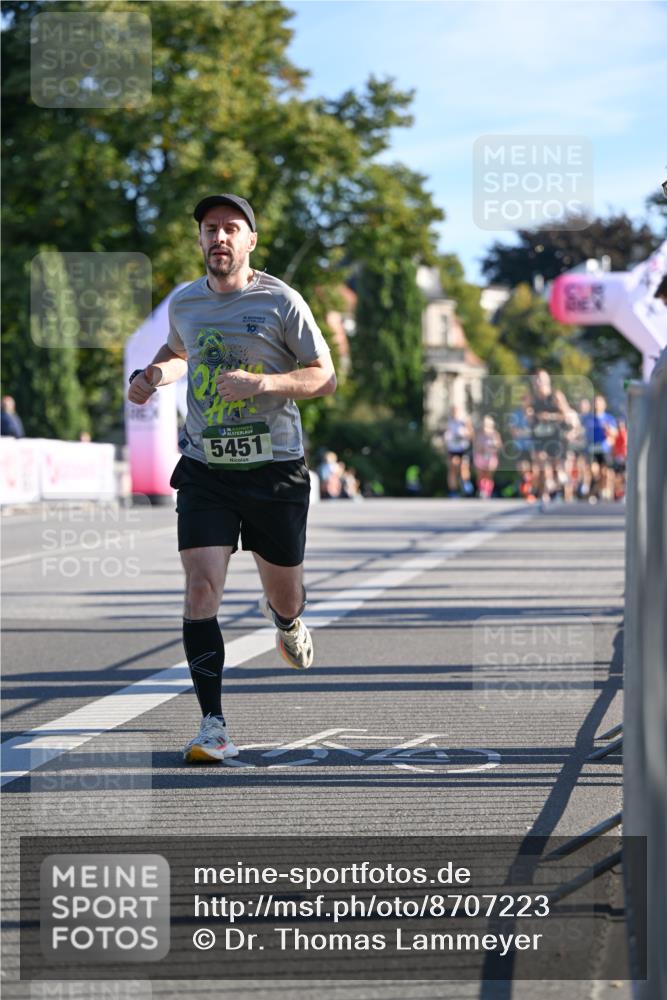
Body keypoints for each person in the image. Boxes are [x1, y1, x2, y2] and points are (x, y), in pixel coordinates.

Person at [128, 193, 336, 763]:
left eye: (230, 229)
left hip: (274, 469)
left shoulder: (281, 302)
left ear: (250, 241)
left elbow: (324, 378)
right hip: (206, 467)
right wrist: (152, 375)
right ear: (200, 240)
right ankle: (212, 725)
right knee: (200, 588)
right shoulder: (186, 302)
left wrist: (263, 385)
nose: (219, 238)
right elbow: (180, 352)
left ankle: (288, 622)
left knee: (284, 592)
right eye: (209, 229)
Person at [444, 405, 473, 497]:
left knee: (464, 467)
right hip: (452, 448)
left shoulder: (464, 421)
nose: (455, 413)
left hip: (463, 448)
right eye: (453, 411)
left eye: (456, 411)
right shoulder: (448, 421)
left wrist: (465, 433)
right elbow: (445, 435)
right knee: (452, 467)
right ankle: (453, 490)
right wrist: (446, 437)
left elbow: (472, 434)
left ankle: (466, 482)